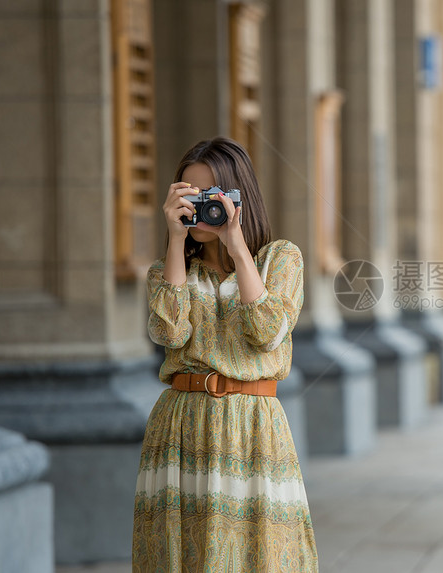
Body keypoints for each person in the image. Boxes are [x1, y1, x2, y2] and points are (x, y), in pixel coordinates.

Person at [132, 137, 318, 572]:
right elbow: (169, 332)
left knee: (261, 555)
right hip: (180, 427)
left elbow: (268, 331)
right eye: (188, 196)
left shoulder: (280, 259)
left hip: (253, 430)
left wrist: (235, 245)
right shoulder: (167, 271)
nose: (199, 209)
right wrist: (175, 241)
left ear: (238, 200)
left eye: (209, 198)